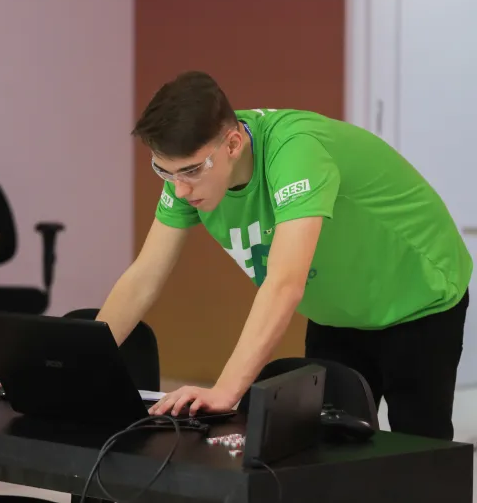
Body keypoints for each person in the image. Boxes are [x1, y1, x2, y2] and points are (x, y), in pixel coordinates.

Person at [97, 71, 472, 441]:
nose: (179, 190)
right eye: (163, 171)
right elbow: (144, 275)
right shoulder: (189, 179)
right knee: (321, 449)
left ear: (232, 145)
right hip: (336, 310)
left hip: (416, 295)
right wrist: (84, 365)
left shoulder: (295, 152)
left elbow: (284, 285)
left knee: (419, 450)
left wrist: (225, 390)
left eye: (190, 171)